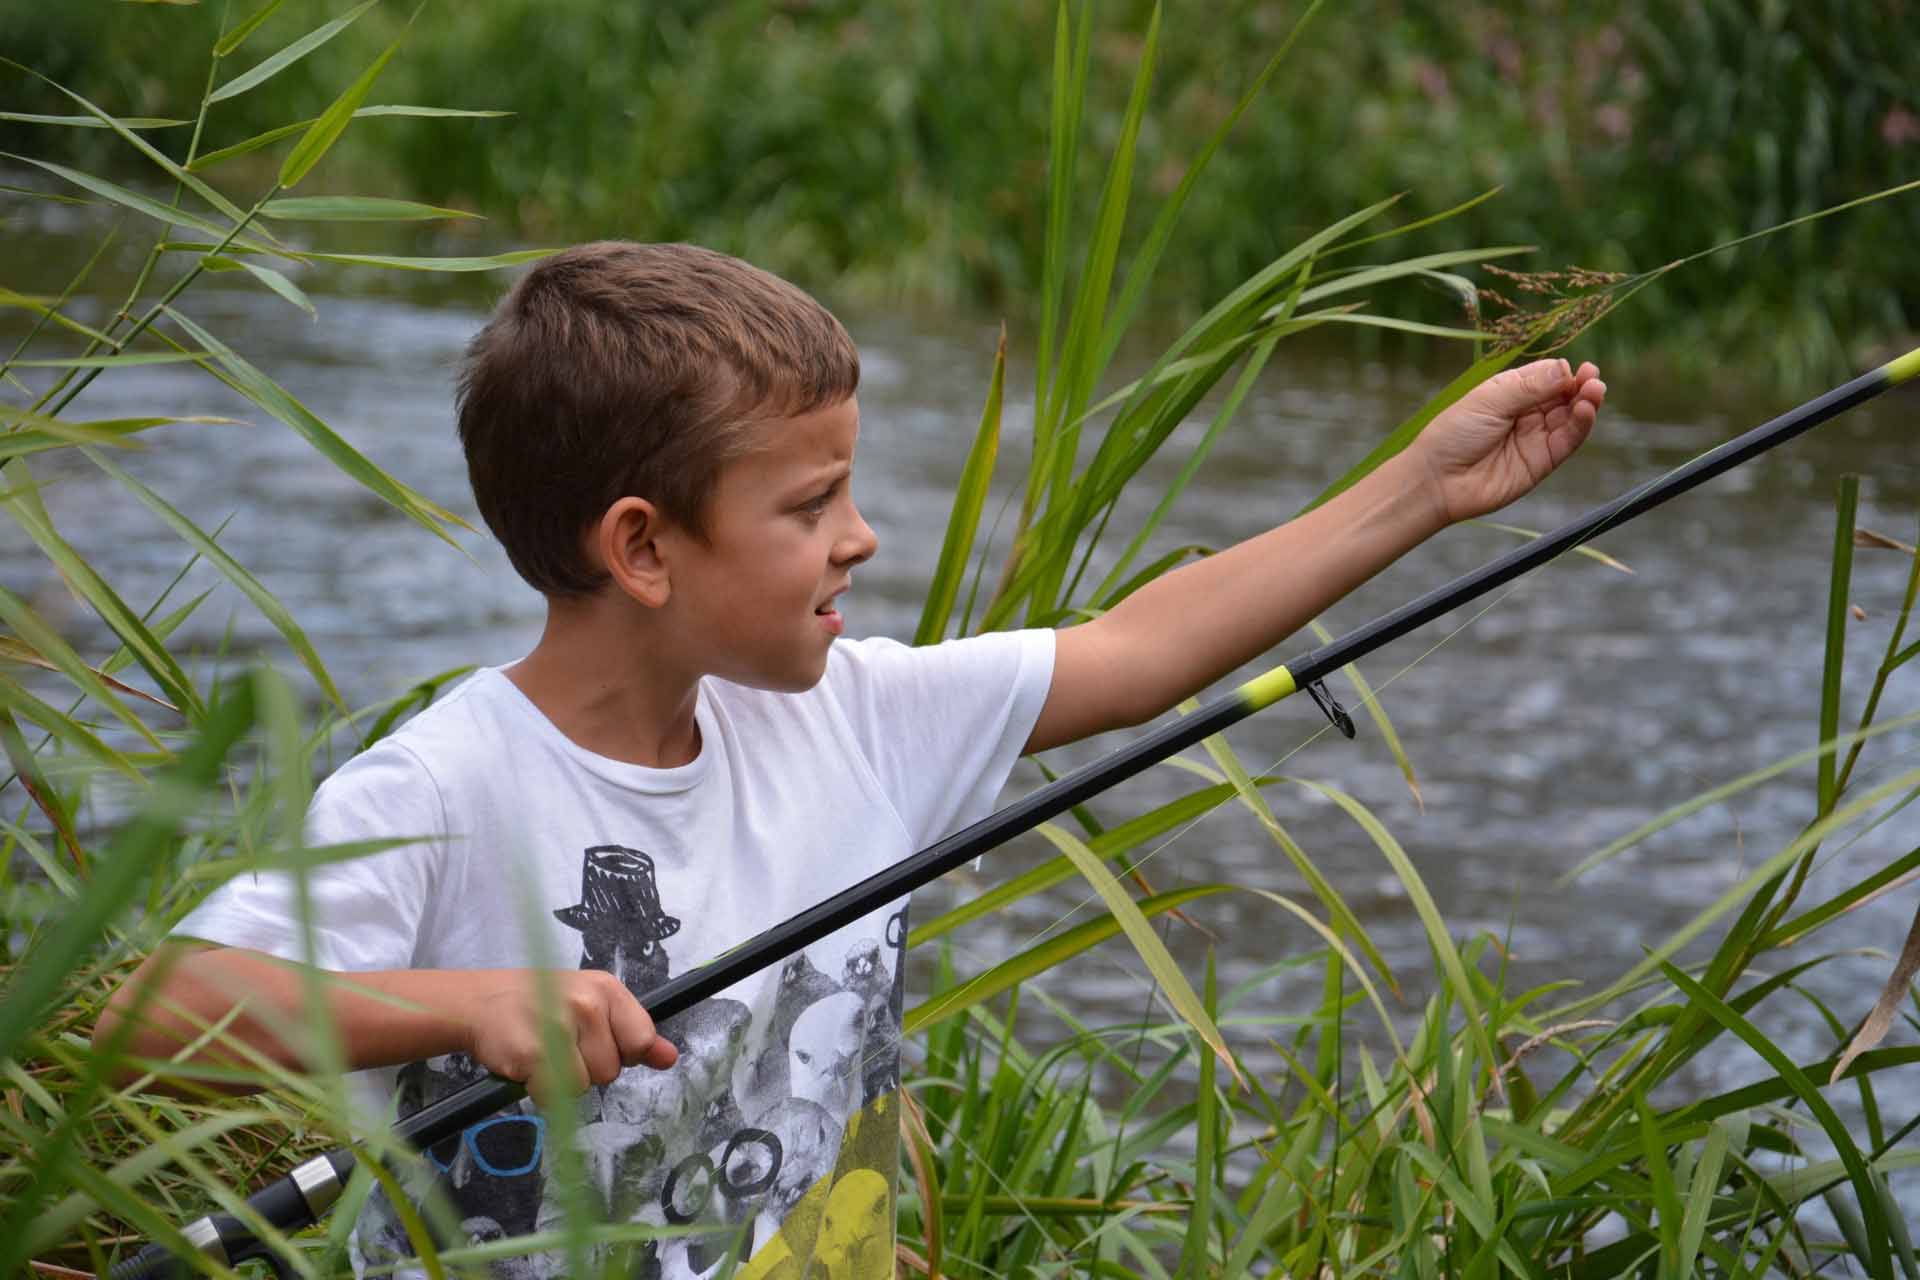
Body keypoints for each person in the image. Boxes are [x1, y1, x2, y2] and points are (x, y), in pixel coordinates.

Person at [96, 241, 1606, 1278]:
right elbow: (169, 1009)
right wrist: (476, 1002)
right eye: (811, 504)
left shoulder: (859, 713)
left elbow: (1145, 651)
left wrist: (1421, 489)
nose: (859, 537)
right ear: (642, 547)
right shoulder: (445, 790)